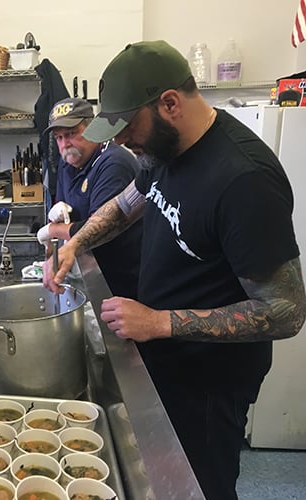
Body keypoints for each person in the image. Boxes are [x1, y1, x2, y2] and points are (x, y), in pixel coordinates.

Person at [43, 40, 306, 500]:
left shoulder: (244, 180)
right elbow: (126, 207)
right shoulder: (163, 153)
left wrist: (159, 321)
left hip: (211, 378)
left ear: (169, 103)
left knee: (202, 487)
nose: (120, 141)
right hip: (166, 355)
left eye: (127, 126)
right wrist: (76, 244)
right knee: (164, 481)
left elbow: (286, 310)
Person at [36, 97, 142, 298]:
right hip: (91, 270)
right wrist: (52, 249)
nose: (65, 144)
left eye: (72, 134)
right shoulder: (68, 163)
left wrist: (52, 230)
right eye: (59, 138)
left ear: (92, 128)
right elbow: (63, 213)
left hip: (125, 279)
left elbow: (98, 229)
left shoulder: (113, 164)